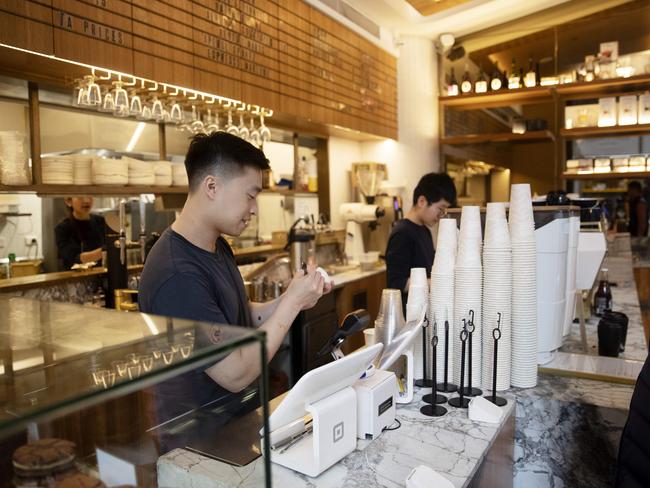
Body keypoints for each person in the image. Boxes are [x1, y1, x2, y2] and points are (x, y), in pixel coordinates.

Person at [138, 132, 330, 444]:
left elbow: (241, 315)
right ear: (211, 186)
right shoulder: (177, 273)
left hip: (236, 423)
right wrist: (291, 305)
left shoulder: (217, 246)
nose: (254, 209)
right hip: (197, 441)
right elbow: (235, 373)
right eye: (250, 195)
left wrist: (294, 296)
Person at [385, 173, 456, 305]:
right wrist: (439, 281)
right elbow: (395, 283)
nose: (441, 216)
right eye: (440, 209)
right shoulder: (402, 233)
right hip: (409, 315)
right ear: (422, 201)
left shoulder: (425, 231)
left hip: (424, 311)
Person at [54, 196, 105, 270]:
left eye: (90, 195)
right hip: (74, 278)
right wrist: (107, 250)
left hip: (100, 274)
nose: (87, 200)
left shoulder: (100, 221)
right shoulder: (62, 228)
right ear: (69, 201)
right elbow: (75, 258)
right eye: (80, 197)